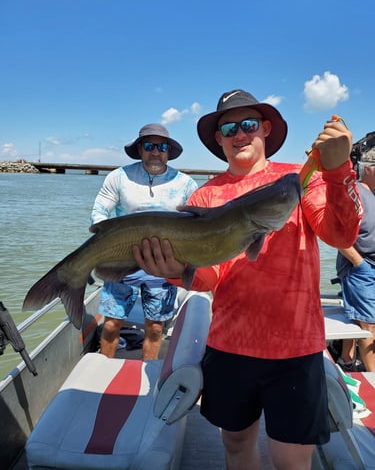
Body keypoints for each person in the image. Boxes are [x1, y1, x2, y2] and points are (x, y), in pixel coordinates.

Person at [132, 89, 363, 470]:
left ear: (266, 129)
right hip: (229, 346)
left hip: (296, 349)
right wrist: (176, 272)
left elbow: (342, 235)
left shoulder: (298, 179)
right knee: (237, 446)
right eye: (229, 128)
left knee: (291, 460)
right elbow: (209, 276)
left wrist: (339, 172)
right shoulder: (206, 196)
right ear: (219, 139)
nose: (239, 134)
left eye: (249, 125)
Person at [90, 123, 198, 360]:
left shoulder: (186, 184)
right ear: (140, 149)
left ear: (169, 151)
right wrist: (105, 242)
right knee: (110, 325)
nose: (155, 152)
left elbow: (196, 225)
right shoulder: (119, 177)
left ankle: (147, 372)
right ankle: (104, 369)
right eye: (149, 146)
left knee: (156, 327)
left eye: (162, 146)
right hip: (122, 261)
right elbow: (99, 212)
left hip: (163, 266)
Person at [336, 160, 375, 372]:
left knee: (361, 319)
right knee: (369, 326)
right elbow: (336, 233)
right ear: (367, 168)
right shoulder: (355, 193)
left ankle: (346, 360)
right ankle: (373, 381)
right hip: (361, 268)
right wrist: (359, 264)